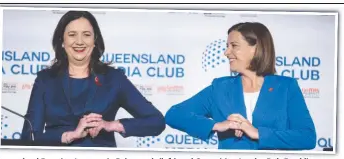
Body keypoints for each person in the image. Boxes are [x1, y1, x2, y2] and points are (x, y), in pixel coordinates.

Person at [21, 11, 165, 147]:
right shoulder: (46, 80)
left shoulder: (114, 79)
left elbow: (156, 121)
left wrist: (110, 125)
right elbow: (29, 136)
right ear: (62, 41)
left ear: (95, 40)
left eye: (86, 35)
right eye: (72, 34)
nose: (79, 41)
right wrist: (68, 136)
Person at [165, 22, 316, 150]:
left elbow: (307, 137)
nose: (226, 52)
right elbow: (174, 114)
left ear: (255, 48)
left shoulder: (286, 87)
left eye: (234, 46)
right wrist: (216, 125)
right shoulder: (220, 88)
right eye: (227, 46)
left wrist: (257, 133)